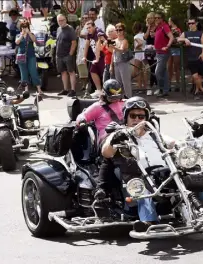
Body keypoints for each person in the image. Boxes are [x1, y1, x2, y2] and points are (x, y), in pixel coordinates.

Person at [97, 96, 174, 232]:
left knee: (191, 176)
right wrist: (115, 138)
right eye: (133, 116)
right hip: (135, 178)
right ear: (126, 117)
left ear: (146, 118)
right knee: (141, 187)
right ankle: (148, 221)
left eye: (141, 116)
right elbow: (106, 152)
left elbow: (174, 143)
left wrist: (192, 139)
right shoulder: (119, 133)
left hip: (163, 175)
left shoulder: (154, 134)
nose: (137, 120)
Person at [76, 79, 124, 144]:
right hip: (107, 138)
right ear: (104, 95)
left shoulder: (125, 103)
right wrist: (82, 121)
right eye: (112, 98)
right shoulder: (97, 106)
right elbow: (82, 116)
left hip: (125, 134)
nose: (116, 99)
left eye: (118, 97)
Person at [178, 18, 203, 100]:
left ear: (196, 23)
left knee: (199, 76)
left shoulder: (200, 33)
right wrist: (185, 39)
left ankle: (197, 92)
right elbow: (178, 39)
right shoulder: (186, 33)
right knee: (195, 76)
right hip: (190, 57)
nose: (191, 25)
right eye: (189, 23)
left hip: (199, 56)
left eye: (192, 23)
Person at [15, 21, 43, 95]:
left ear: (28, 27)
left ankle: (39, 89)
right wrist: (22, 34)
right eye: (23, 27)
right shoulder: (18, 35)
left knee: (33, 71)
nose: (24, 28)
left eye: (25, 27)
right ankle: (26, 89)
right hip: (21, 56)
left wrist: (29, 33)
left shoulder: (31, 34)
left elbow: (34, 40)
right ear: (20, 28)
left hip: (31, 55)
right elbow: (17, 42)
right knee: (23, 73)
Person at [56, 14, 77, 97]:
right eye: (59, 21)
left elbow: (74, 42)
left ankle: (73, 90)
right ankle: (65, 89)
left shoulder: (70, 29)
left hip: (67, 55)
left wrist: (70, 54)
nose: (61, 22)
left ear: (66, 20)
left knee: (71, 72)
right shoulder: (58, 29)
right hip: (59, 55)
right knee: (63, 72)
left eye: (62, 20)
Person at [153, 11, 174, 97]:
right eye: (156, 18)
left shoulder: (164, 26)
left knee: (157, 72)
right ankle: (165, 90)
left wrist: (167, 46)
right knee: (164, 72)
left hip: (163, 52)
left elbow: (171, 37)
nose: (157, 19)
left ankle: (161, 89)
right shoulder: (158, 27)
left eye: (159, 18)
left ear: (162, 19)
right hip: (158, 52)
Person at [83, 21, 106, 98]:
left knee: (104, 74)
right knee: (92, 70)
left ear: (94, 26)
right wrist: (84, 56)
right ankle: (99, 90)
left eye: (89, 27)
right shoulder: (89, 34)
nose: (88, 29)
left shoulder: (98, 31)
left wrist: (97, 58)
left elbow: (99, 44)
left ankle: (105, 91)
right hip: (97, 56)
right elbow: (86, 45)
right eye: (87, 28)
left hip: (103, 55)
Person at [110, 22, 132, 98]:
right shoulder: (115, 40)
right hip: (116, 63)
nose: (118, 32)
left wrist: (113, 47)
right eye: (117, 30)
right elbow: (113, 53)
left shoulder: (124, 40)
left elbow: (122, 50)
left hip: (123, 63)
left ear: (123, 31)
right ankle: (120, 98)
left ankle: (129, 98)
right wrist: (111, 65)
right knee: (118, 83)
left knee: (126, 83)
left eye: (120, 30)